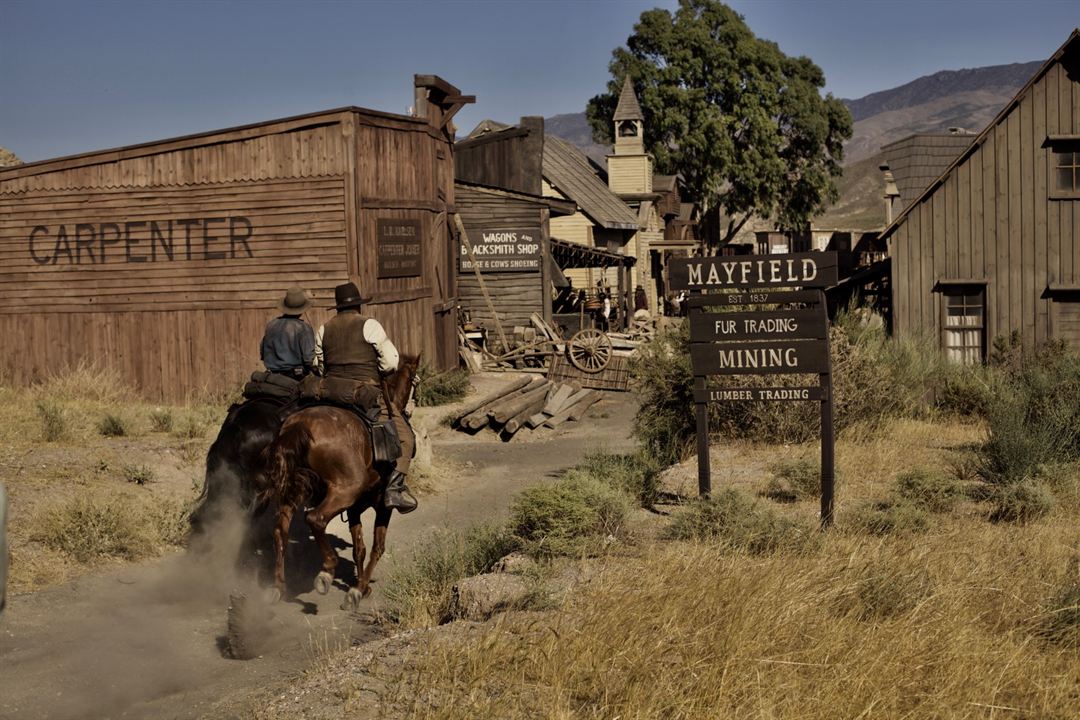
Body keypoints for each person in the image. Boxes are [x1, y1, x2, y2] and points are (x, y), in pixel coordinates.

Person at [314, 282, 417, 514]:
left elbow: (318, 364)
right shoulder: (369, 325)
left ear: (338, 307)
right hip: (364, 392)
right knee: (405, 437)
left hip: (331, 392)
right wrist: (378, 371)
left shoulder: (324, 328)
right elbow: (391, 361)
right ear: (358, 306)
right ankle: (393, 490)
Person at [260, 287, 316, 379]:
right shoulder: (303, 328)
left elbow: (263, 353)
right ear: (302, 309)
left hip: (271, 376)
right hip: (296, 377)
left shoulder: (271, 325)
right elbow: (309, 359)